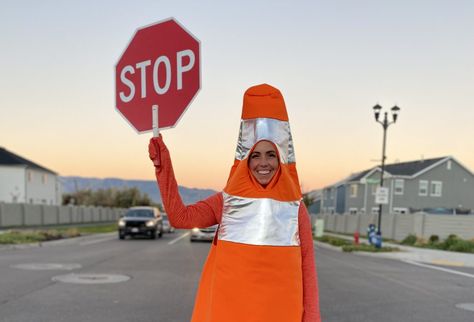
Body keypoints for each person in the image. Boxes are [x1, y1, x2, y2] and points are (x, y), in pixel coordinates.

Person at [149, 84, 321, 322]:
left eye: (271, 154)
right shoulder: (227, 202)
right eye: (256, 155)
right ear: (245, 160)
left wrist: (311, 317)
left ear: (281, 158)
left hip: (281, 311)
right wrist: (162, 165)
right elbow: (180, 218)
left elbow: (307, 266)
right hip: (230, 311)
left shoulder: (295, 207)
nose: (264, 163)